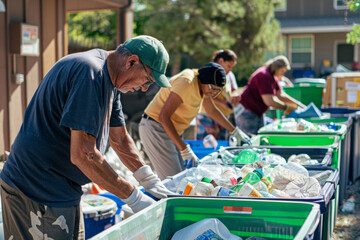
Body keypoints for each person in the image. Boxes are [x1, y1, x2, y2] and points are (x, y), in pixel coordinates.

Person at [0, 35, 174, 239]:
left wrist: (148, 179)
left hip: (62, 187)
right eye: (148, 80)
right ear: (132, 62)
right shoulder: (91, 74)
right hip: (35, 188)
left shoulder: (112, 81)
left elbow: (120, 139)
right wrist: (134, 197)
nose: (145, 88)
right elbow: (84, 154)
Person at [139, 62, 250, 180]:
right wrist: (184, 149)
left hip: (171, 131)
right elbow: (163, 117)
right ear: (204, 80)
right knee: (175, 181)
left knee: (185, 177)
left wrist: (234, 131)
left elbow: (212, 111)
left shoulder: (204, 87)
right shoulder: (186, 82)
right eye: (213, 89)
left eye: (218, 90)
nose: (214, 93)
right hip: (156, 128)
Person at [236, 55, 306, 135]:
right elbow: (269, 101)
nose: (283, 74)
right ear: (277, 67)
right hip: (248, 111)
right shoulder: (264, 75)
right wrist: (286, 107)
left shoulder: (272, 76)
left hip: (258, 111)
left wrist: (297, 104)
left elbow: (281, 94)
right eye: (282, 71)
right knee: (250, 139)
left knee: (260, 136)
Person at [196, 49, 241, 140]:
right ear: (221, 61)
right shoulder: (209, 72)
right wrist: (222, 102)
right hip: (208, 117)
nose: (230, 69)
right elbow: (205, 94)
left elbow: (230, 91)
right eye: (229, 66)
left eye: (232, 67)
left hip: (222, 117)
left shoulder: (227, 74)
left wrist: (233, 97)